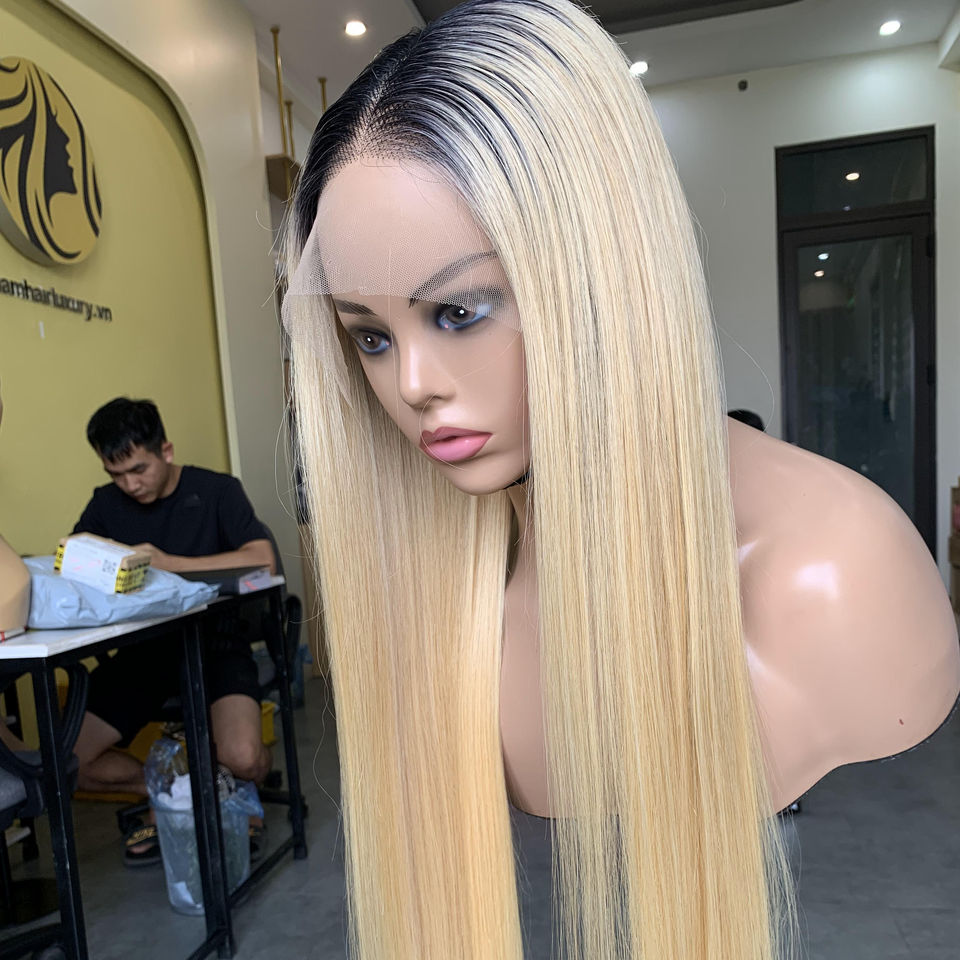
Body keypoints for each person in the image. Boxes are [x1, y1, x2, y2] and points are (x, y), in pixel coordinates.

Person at [281, 1, 960, 957]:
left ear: (602, 273)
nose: (414, 383)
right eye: (371, 337)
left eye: (460, 311)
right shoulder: (451, 596)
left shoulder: (835, 570)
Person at [71, 397, 274, 866]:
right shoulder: (106, 504)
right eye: (116, 474)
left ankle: (235, 790)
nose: (130, 484)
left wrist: (168, 564)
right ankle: (176, 797)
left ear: (166, 450)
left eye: (139, 469)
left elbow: (262, 559)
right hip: (144, 651)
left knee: (244, 756)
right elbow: (76, 563)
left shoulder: (217, 491)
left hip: (215, 643)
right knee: (67, 761)